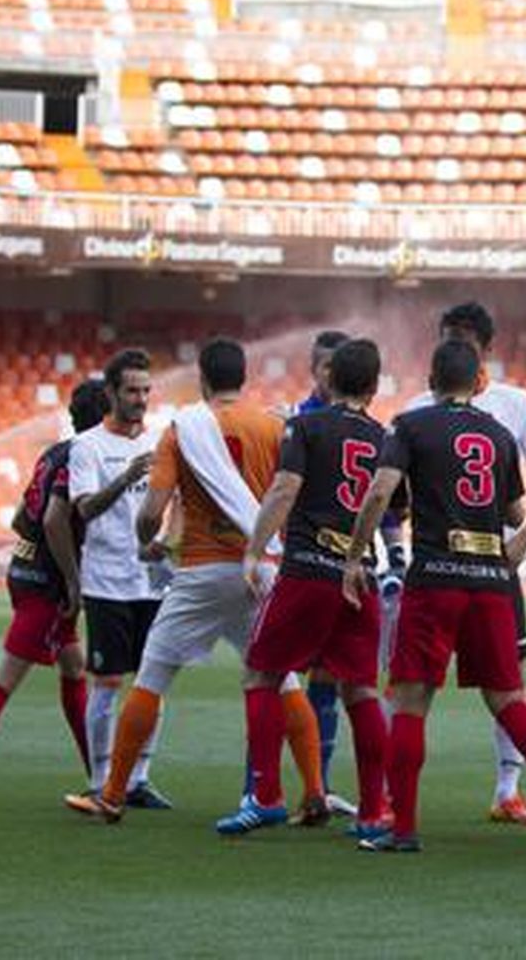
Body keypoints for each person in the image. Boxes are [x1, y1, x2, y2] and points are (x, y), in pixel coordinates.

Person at [342, 338, 526, 854]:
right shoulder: (499, 434)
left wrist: (355, 555)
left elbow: (381, 491)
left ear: (431, 382)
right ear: (479, 383)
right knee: (509, 698)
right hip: (492, 582)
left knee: (411, 700)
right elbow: (516, 516)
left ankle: (404, 828)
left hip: (436, 576)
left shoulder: (411, 425)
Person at [66, 338, 324, 824]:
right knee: (282, 678)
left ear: (202, 378)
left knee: (153, 676)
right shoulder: (274, 426)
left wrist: (148, 540)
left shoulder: (182, 431)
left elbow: (152, 512)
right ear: (242, 377)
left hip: (202, 569)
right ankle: (313, 791)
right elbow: (291, 496)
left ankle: (113, 793)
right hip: (260, 568)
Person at [215, 339, 395, 839]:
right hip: (360, 575)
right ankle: (375, 810)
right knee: (359, 690)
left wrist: (255, 550)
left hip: (309, 571)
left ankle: (267, 796)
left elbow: (285, 489)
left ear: (330, 378)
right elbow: (387, 507)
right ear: (375, 386)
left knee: (261, 677)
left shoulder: (307, 425)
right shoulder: (385, 437)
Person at [408, 302, 526, 828]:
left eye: (467, 341)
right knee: (413, 686)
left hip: (489, 564)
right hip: (447, 565)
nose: (457, 347)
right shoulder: (415, 407)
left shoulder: (516, 404)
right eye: (449, 337)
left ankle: (508, 791)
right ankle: (390, 802)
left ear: (486, 353)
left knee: (507, 681)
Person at [0, 380, 109, 791]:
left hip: (24, 571)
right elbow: (52, 519)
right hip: (47, 586)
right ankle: (100, 776)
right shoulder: (84, 458)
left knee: (73, 666)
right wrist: (72, 578)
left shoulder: (53, 453)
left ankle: (98, 777)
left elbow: (19, 519)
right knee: (3, 679)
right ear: (105, 417)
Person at [66, 349, 169, 808]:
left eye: (146, 390)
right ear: (111, 393)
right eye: (132, 390)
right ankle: (101, 777)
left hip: (151, 580)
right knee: (107, 681)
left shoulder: (162, 442)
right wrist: (126, 477)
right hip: (106, 580)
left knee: (151, 681)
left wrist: (166, 543)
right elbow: (84, 509)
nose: (140, 399)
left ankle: (140, 778)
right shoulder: (87, 446)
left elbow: (178, 502)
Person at [292, 329, 359, 815]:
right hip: (301, 564)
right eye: (325, 369)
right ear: (314, 371)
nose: (332, 377)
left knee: (330, 678)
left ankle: (322, 783)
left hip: (341, 568)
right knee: (281, 676)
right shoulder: (296, 423)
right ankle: (268, 787)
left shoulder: (358, 424)